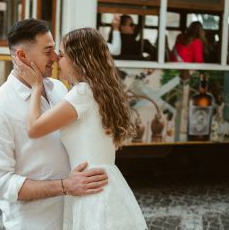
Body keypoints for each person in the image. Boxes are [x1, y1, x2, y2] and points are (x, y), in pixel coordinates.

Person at [0, 19, 108, 230]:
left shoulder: (59, 88)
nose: (55, 57)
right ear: (22, 56)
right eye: (48, 51)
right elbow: (0, 183)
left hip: (78, 218)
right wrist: (65, 186)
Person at [16, 27, 148, 230]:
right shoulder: (99, 91)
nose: (57, 60)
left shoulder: (82, 93)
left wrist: (36, 87)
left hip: (92, 190)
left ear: (78, 59)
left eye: (61, 55)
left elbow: (34, 128)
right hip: (107, 184)